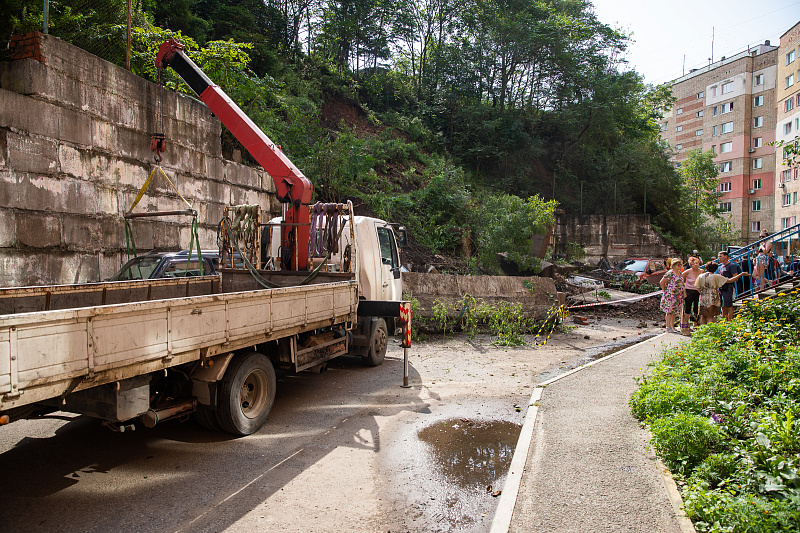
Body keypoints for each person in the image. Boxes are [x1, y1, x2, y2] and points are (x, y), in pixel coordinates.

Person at [660, 258, 685, 333]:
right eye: (678, 264)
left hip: (678, 295)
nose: (679, 266)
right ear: (673, 266)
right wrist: (664, 289)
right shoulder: (670, 273)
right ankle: (668, 326)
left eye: (680, 264)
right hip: (671, 295)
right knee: (669, 311)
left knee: (675, 311)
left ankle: (672, 326)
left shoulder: (680, 273)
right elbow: (662, 282)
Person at [717, 250, 741, 320]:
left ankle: (730, 320)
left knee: (728, 305)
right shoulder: (721, 266)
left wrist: (726, 280)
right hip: (721, 287)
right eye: (718, 256)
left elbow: (735, 277)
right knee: (723, 305)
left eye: (721, 256)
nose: (719, 258)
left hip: (728, 287)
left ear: (726, 256)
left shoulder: (731, 265)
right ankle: (724, 320)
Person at [682, 256, 702, 333]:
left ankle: (695, 324)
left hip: (698, 291)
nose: (695, 265)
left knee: (696, 308)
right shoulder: (688, 272)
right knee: (687, 308)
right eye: (693, 264)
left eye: (697, 263)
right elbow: (680, 278)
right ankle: (686, 325)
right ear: (690, 265)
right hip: (689, 291)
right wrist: (684, 285)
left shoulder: (701, 271)